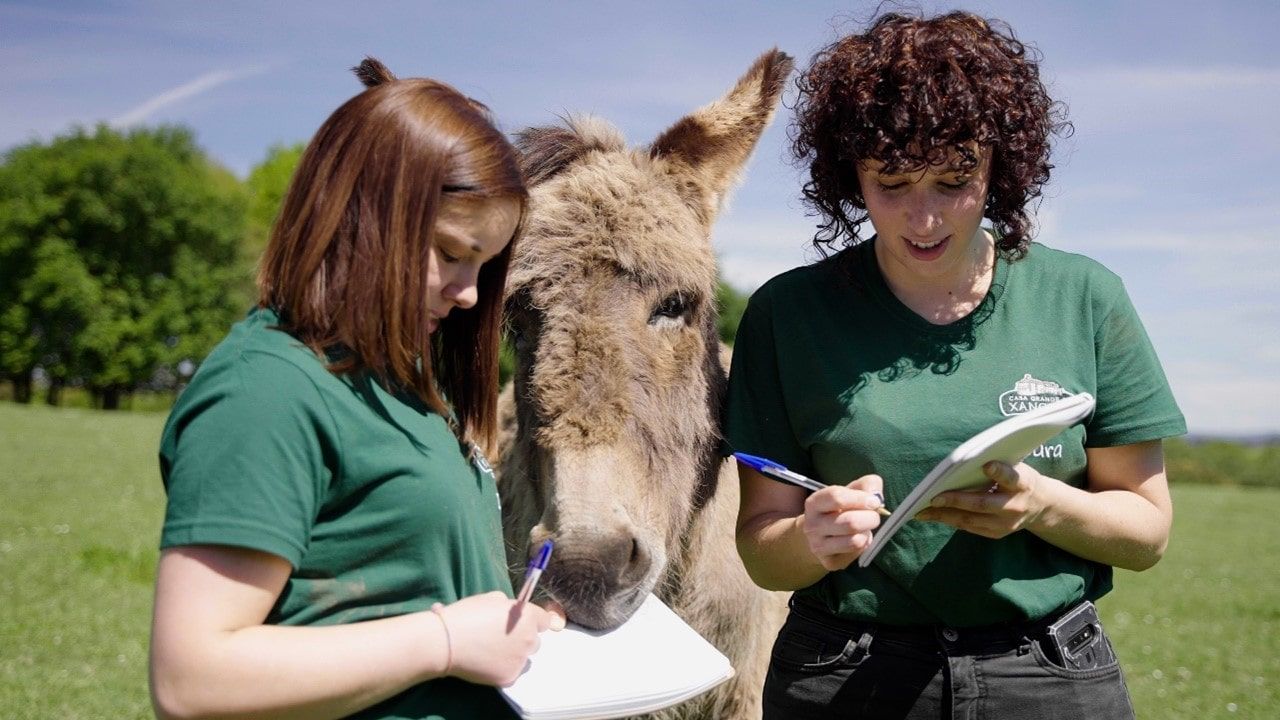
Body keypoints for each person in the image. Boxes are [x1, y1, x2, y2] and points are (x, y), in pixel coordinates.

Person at [726, 11, 1185, 719]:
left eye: (953, 181)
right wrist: (812, 538)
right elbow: (761, 549)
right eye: (891, 182)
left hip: (1049, 674)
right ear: (849, 174)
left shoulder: (1084, 296)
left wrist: (1041, 506)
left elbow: (1147, 533)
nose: (924, 218)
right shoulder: (786, 315)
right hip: (846, 675)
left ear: (1001, 162)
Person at [149, 58, 559, 720]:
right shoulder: (268, 390)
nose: (469, 294)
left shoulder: (403, 383)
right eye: (451, 253)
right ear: (360, 219)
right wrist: (446, 641)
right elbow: (192, 678)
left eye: (483, 265)